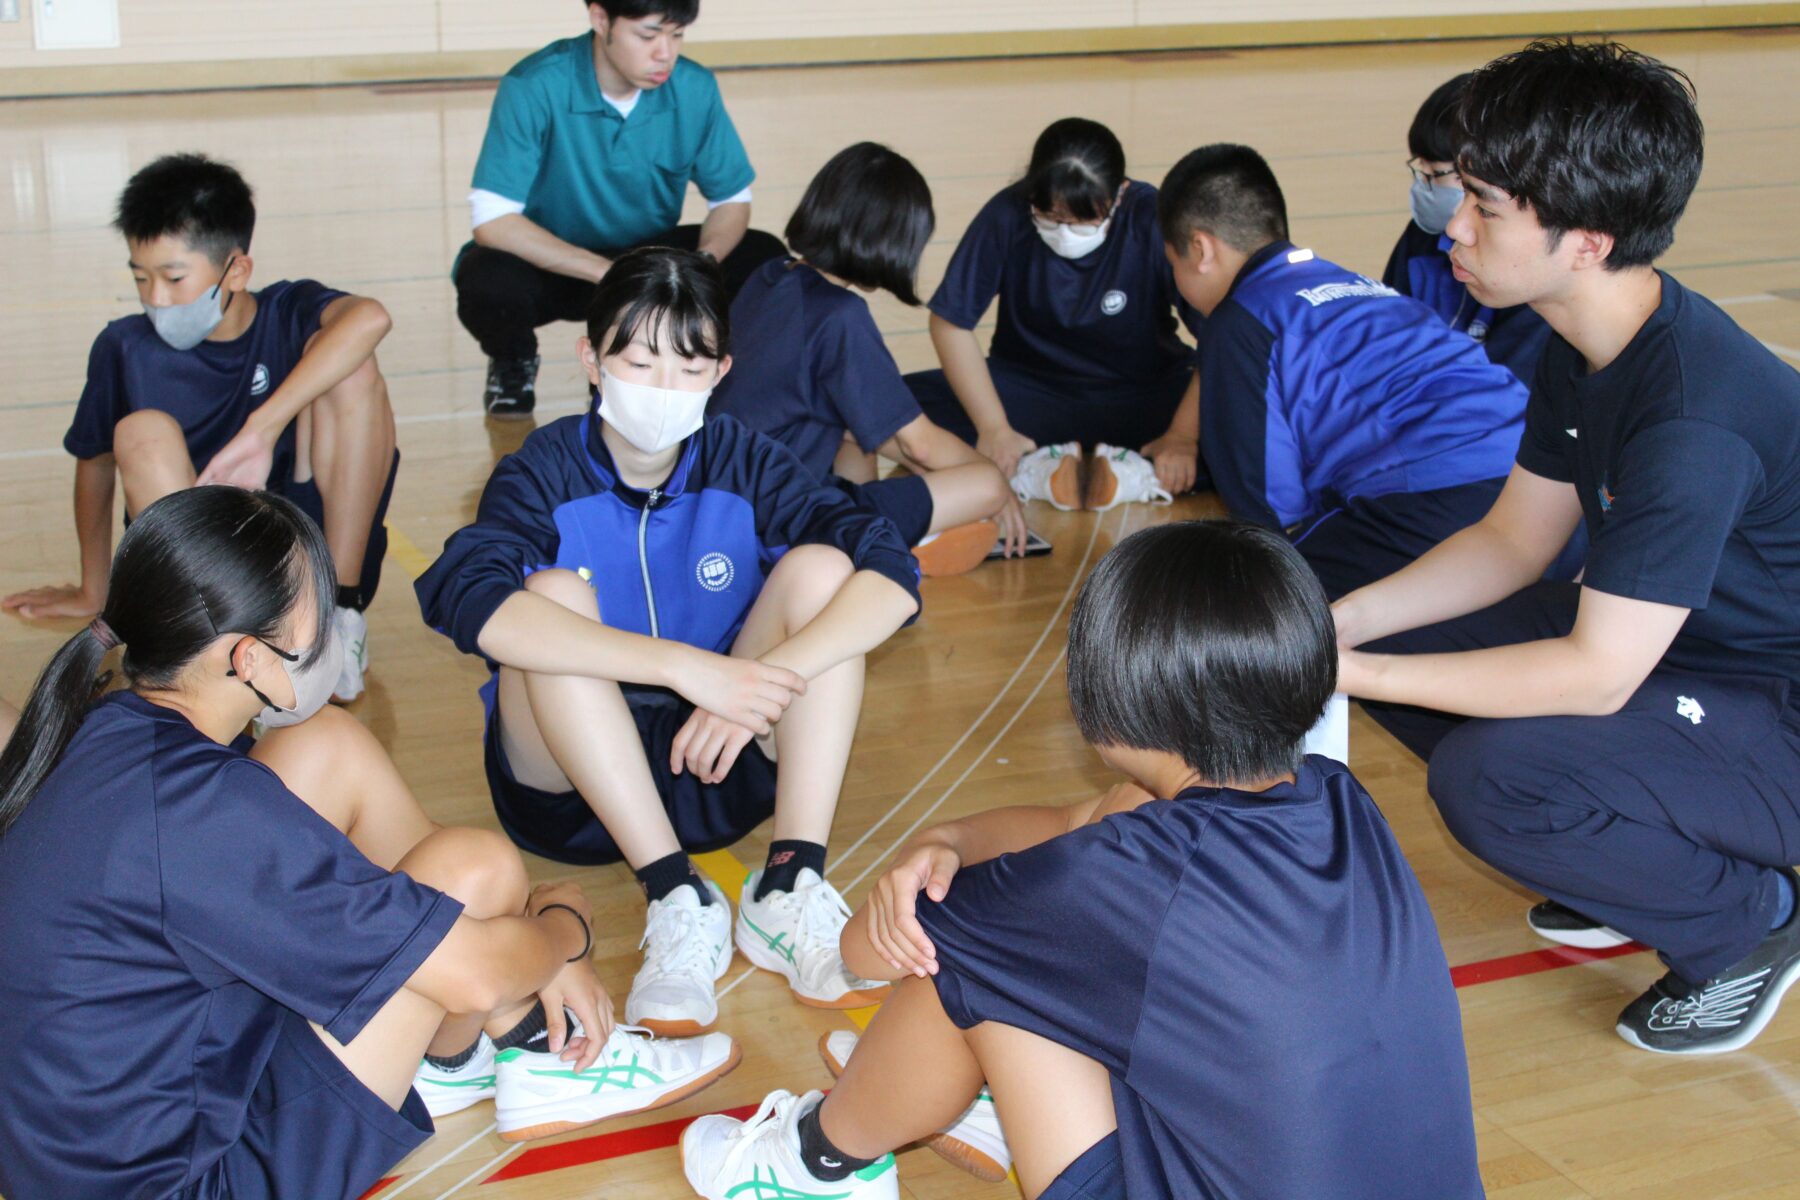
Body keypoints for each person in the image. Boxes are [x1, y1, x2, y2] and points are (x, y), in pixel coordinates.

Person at [680, 521, 1483, 1200]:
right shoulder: (1338, 798)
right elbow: (1080, 821)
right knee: (1032, 941)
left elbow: (865, 951)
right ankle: (960, 1096)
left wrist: (910, 884)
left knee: (962, 973)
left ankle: (814, 1163)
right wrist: (948, 842)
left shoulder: (1125, 876)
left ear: (1109, 701)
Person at [0, 487, 738, 1200]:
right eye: (311, 613)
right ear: (246, 659)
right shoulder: (205, 812)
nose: (324, 629)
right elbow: (478, 972)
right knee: (471, 871)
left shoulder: (106, 724)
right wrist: (562, 927)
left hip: (90, 1136)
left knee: (326, 745)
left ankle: (498, 1044)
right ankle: (535, 1046)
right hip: (189, 1177)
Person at [1333, 39, 1800, 1056]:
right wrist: (1342, 627)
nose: (1454, 225)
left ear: (1586, 240)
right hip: (1689, 653)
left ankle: (1741, 921)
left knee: (1490, 777)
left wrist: (1350, 665)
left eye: (1485, 207)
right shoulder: (1584, 337)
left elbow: (1594, 676)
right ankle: (1632, 855)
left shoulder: (1689, 418)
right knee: (1414, 640)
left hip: (1776, 711)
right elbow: (1513, 540)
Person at [416, 247, 922, 1042]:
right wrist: (688, 670)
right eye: (637, 360)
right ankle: (673, 896)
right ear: (591, 358)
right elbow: (461, 596)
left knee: (826, 569)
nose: (661, 389)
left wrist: (759, 678)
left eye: (687, 367)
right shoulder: (543, 469)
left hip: (721, 763)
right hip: (572, 792)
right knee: (549, 600)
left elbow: (890, 567)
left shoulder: (745, 459)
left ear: (722, 371)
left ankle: (789, 886)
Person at [1, 152, 397, 702]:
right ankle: (213, 648)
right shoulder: (123, 346)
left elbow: (372, 317)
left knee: (353, 367)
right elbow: (93, 466)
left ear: (236, 270)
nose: (156, 298)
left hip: (306, 552)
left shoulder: (287, 312)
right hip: (202, 565)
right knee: (140, 430)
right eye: (141, 277)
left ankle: (337, 622)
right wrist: (95, 588)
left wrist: (262, 427)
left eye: (174, 278)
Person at [1157, 142, 1532, 600]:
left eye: (1172, 264)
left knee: (1250, 607)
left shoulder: (1239, 321)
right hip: (1541, 481)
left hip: (1441, 494)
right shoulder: (1353, 283)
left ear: (1200, 249)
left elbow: (1270, 515)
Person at [456, 0, 785, 418]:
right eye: (648, 35)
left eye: (677, 34)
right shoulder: (534, 84)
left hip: (648, 258)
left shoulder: (694, 87)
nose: (665, 52)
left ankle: (695, 365)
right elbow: (492, 219)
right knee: (487, 277)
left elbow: (731, 200)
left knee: (763, 257)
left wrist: (702, 264)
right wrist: (606, 273)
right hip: (555, 262)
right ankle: (512, 360)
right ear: (600, 20)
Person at [712, 142, 1024, 576]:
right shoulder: (840, 315)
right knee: (985, 483)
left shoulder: (771, 274)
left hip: (724, 496)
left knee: (858, 432)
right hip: (776, 518)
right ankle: (871, 541)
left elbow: (887, 430)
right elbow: (919, 442)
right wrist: (996, 482)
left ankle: (876, 536)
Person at [903, 118, 1202, 510]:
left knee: (1245, 422)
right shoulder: (1007, 213)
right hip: (1028, 393)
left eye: (1083, 222)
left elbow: (1217, 334)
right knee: (893, 408)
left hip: (1143, 391)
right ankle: (1078, 469)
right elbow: (950, 321)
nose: (1063, 231)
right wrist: (993, 428)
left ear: (1120, 194)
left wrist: (1182, 436)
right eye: (1049, 217)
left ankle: (1051, 471)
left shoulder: (1152, 216)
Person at [1382, 72, 1552, 386]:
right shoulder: (1422, 237)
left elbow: (1507, 388)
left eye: (1437, 174)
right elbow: (1387, 333)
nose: (1424, 187)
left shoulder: (1530, 270)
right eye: (1422, 171)